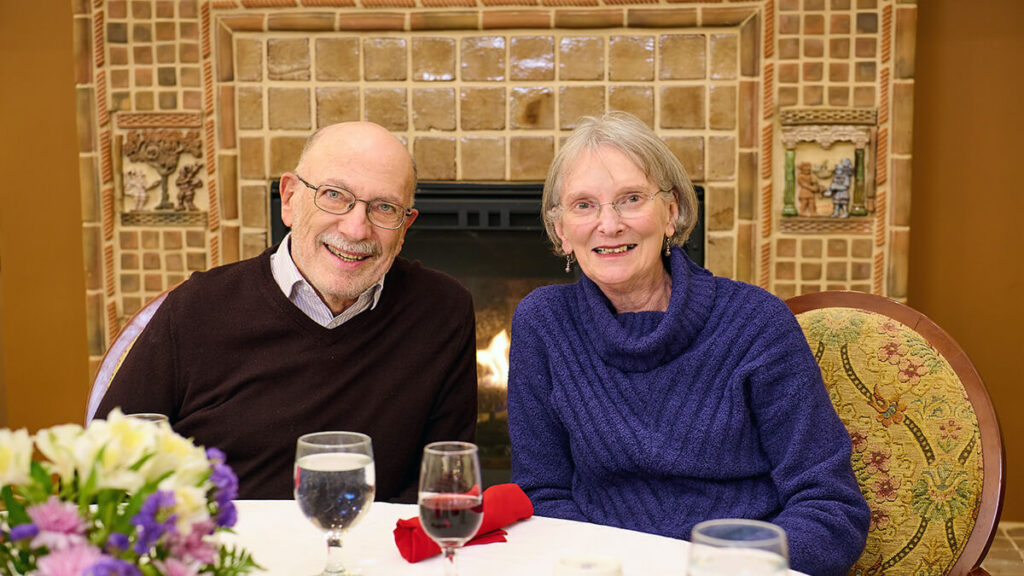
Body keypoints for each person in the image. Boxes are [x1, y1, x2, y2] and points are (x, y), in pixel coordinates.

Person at [507, 112, 869, 576]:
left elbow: (830, 506)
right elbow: (543, 494)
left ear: (672, 211)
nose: (609, 224)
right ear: (561, 230)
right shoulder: (544, 323)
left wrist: (729, 567)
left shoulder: (755, 322)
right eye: (584, 205)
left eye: (631, 199)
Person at [96, 121, 478, 502]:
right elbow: (104, 475)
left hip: (373, 540)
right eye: (334, 195)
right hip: (228, 539)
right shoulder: (196, 308)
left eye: (384, 207)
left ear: (405, 226)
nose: (356, 229)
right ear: (290, 198)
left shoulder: (442, 312)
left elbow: (446, 485)